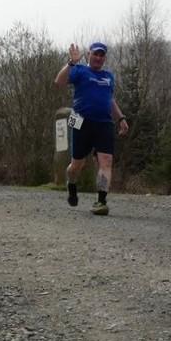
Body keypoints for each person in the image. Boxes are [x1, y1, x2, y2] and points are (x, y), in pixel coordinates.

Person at [54, 41, 129, 215]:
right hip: (79, 120)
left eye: (102, 55)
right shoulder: (79, 70)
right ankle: (71, 183)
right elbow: (58, 82)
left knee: (106, 161)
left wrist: (121, 118)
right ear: (89, 55)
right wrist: (71, 63)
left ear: (105, 58)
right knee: (77, 164)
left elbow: (110, 100)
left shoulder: (109, 76)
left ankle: (101, 201)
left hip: (104, 123)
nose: (98, 57)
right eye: (95, 54)